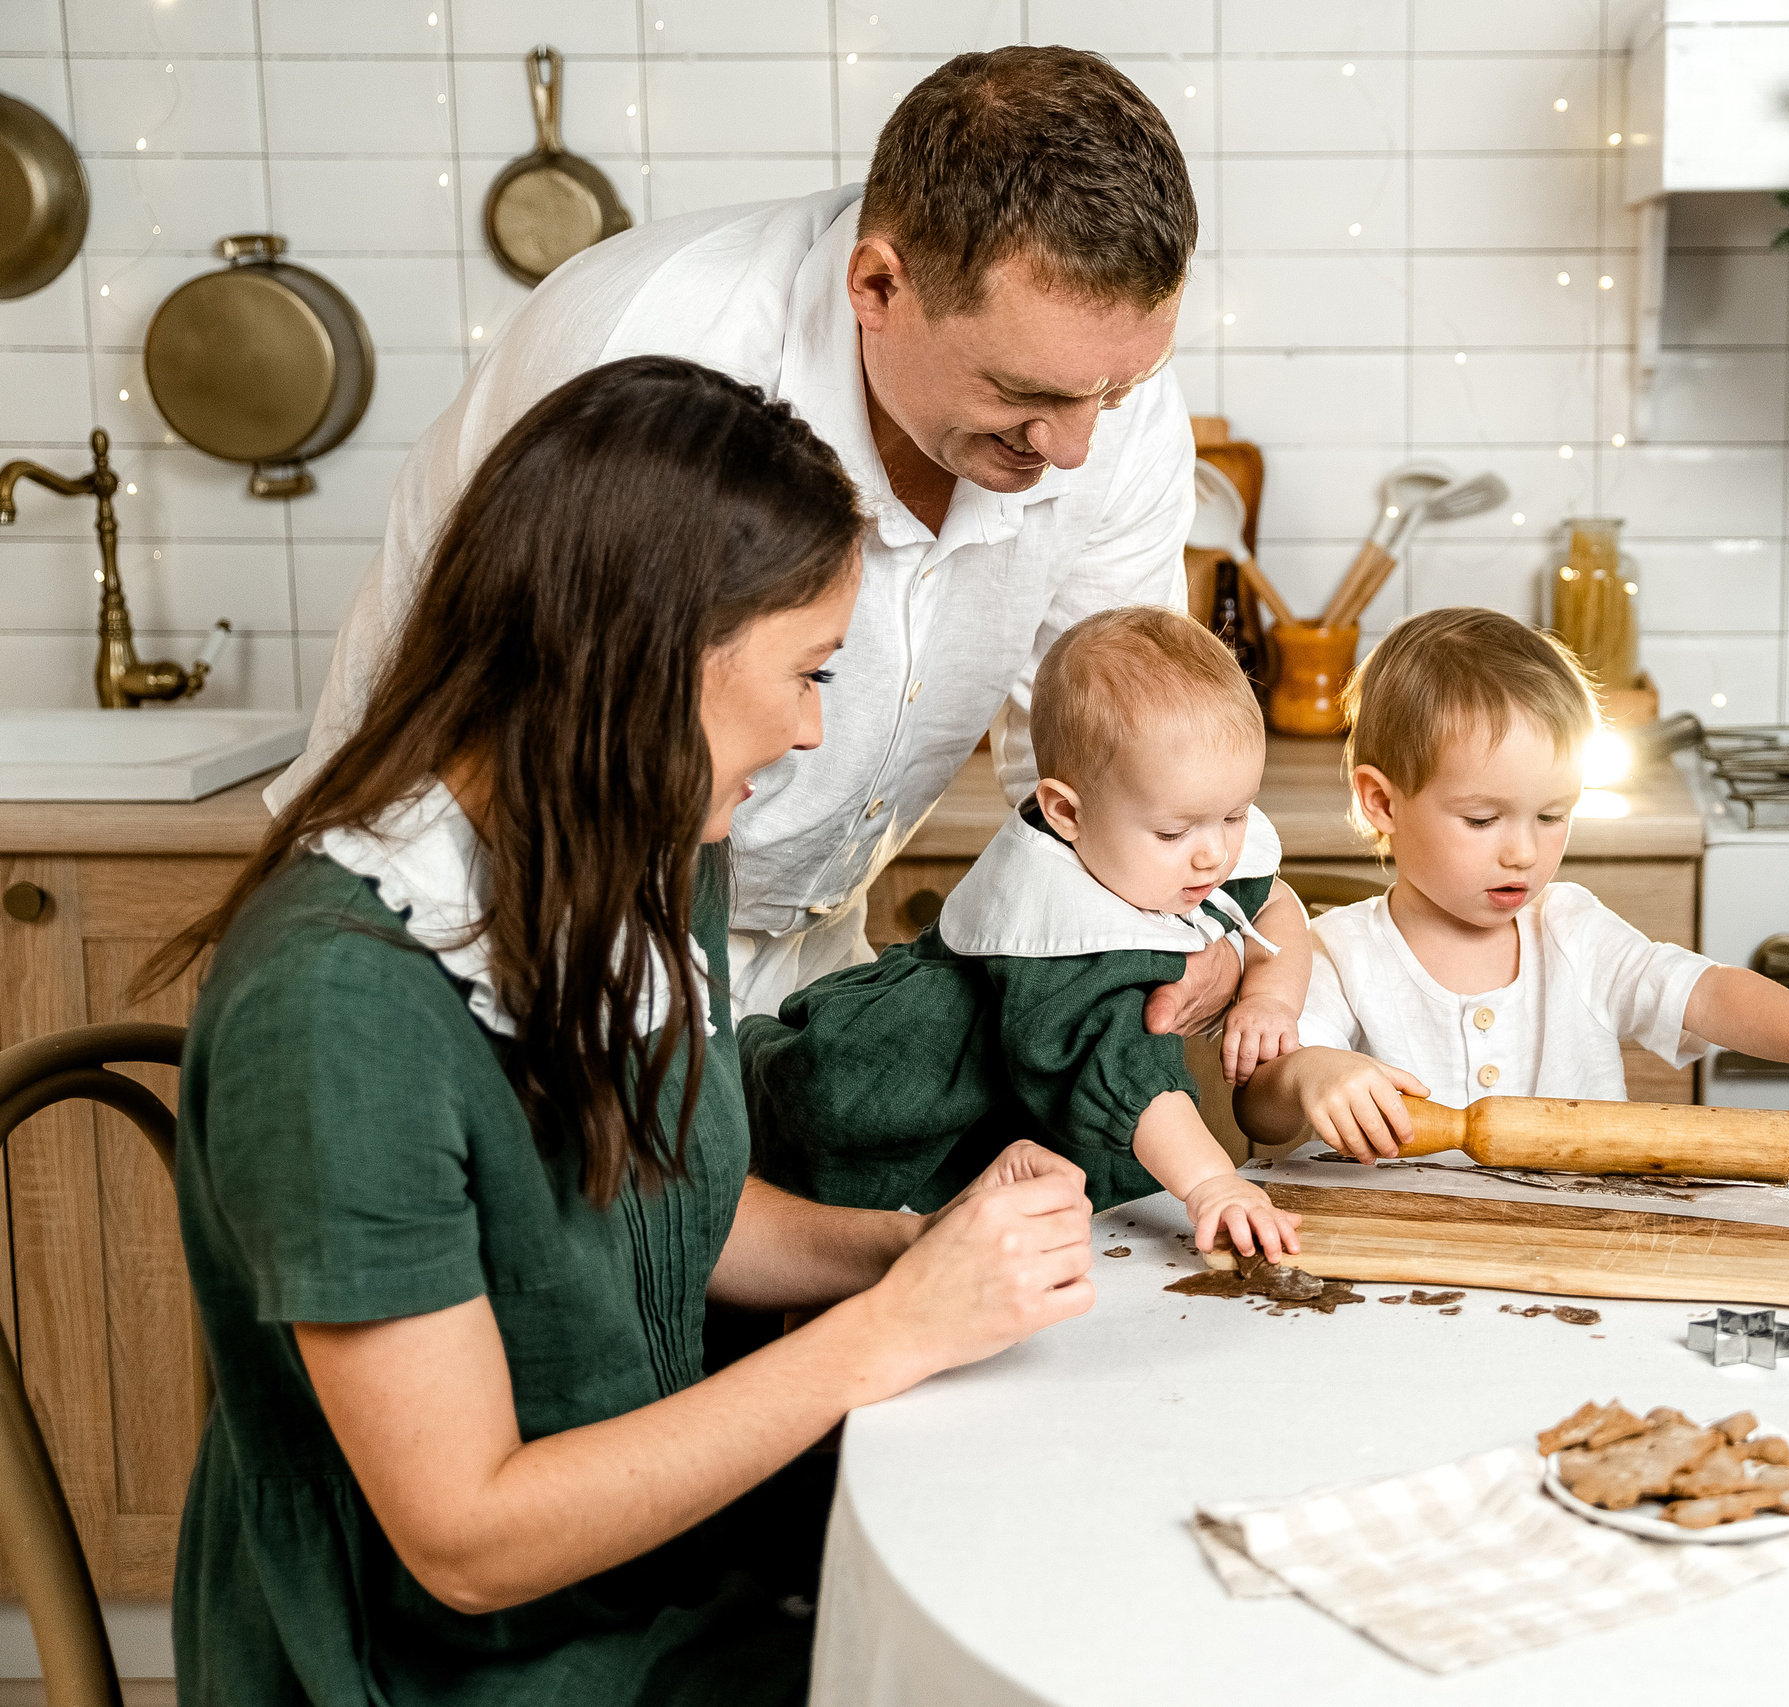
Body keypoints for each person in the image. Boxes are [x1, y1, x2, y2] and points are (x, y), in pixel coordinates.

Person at [149, 358, 1096, 1704]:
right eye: (806, 669)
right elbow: (468, 1536)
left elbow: (667, 1209)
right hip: (446, 1664)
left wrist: (910, 1250)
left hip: (662, 1578)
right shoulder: (337, 1008)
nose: (814, 725)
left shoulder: (639, 854)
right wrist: (888, 1329)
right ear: (649, 656)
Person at [270, 45, 1240, 1031]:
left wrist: (1211, 921)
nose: (1077, 448)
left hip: (807, 942)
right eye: (1021, 394)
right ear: (876, 287)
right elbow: (538, 771)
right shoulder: (654, 359)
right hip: (488, 930)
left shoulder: (1104, 392)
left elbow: (1113, 743)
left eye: (1113, 390)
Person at [1235, 607, 1789, 1168]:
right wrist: (1310, 1074)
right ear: (1383, 803)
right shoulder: (1334, 952)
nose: (1523, 850)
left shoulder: (1570, 929)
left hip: (1592, 1257)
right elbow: (1259, 1109)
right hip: (1402, 1270)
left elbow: (1710, 992)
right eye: (1482, 818)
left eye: (1552, 814)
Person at [742, 607, 1306, 1258]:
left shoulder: (1172, 833)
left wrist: (1270, 996)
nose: (1213, 854)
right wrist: (1211, 1182)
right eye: (1175, 833)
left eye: (1234, 815)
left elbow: (1274, 903)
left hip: (1014, 1109)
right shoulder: (1059, 922)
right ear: (1066, 811)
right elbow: (1130, 1078)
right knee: (870, 1240)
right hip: (873, 1103)